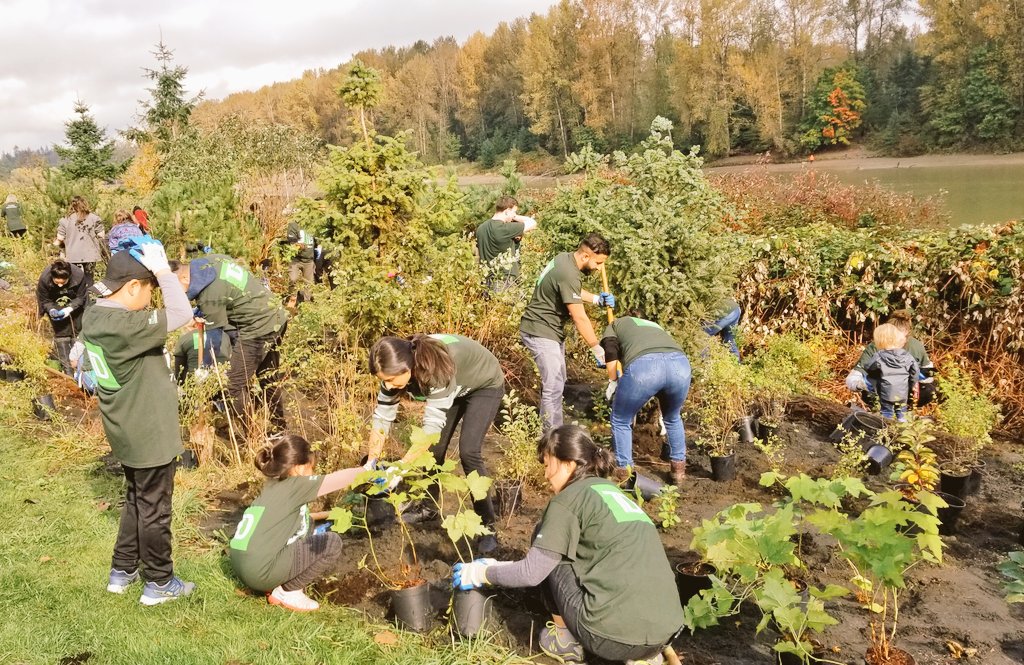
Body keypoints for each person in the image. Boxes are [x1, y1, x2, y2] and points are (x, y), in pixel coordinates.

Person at [452, 425, 682, 665]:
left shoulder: (568, 500)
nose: (545, 475)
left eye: (547, 464)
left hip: (609, 638)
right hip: (664, 633)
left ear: (568, 464)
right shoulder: (616, 495)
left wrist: (483, 571)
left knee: (546, 536)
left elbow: (531, 573)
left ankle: (565, 641)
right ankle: (644, 655)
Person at [82, 241, 196, 604]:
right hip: (148, 430)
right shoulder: (125, 324)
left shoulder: (96, 315)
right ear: (133, 286)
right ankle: (160, 581)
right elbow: (181, 313)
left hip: (125, 427)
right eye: (149, 290)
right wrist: (164, 272)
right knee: (155, 508)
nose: (152, 297)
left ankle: (123, 568)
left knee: (136, 499)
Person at [366, 334, 504, 553]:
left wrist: (399, 469)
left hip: (483, 383)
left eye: (391, 380)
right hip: (455, 386)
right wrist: (371, 461)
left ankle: (488, 526)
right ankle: (429, 508)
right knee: (433, 450)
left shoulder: (435, 367)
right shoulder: (392, 373)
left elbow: (430, 430)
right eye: (383, 381)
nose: (388, 385)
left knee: (469, 452)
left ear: (407, 367)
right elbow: (381, 419)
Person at [229, 434, 364, 612]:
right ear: (299, 468)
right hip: (259, 573)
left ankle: (273, 579)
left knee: (306, 523)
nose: (313, 474)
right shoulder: (296, 484)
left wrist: (326, 515)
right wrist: (368, 469)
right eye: (312, 468)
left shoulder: (272, 484)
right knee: (331, 543)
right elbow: (338, 479)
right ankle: (288, 591)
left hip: (240, 564)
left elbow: (300, 520)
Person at [169, 255, 289, 433]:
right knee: (267, 377)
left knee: (231, 386)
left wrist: (207, 372)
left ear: (185, 278)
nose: (176, 295)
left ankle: (253, 437)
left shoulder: (209, 296)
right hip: (275, 313)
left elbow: (215, 338)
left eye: (175, 289)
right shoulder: (210, 262)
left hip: (258, 327)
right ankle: (280, 428)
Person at [520, 233, 616, 432]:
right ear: (585, 256)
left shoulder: (565, 259)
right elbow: (579, 317)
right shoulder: (568, 272)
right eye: (598, 263)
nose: (599, 268)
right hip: (540, 330)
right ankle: (552, 438)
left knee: (559, 381)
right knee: (553, 385)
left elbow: (568, 289)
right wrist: (597, 348)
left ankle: (553, 431)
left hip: (550, 330)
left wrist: (597, 299)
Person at [601, 313, 691, 485]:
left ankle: (624, 475)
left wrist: (613, 380)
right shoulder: (653, 325)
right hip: (680, 365)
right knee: (672, 417)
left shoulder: (615, 324)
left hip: (645, 368)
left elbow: (611, 349)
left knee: (621, 419)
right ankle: (678, 472)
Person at [847, 310, 935, 408]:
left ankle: (906, 412)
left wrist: (916, 380)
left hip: (907, 391)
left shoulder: (915, 346)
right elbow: (852, 379)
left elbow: (929, 375)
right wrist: (866, 383)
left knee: (929, 390)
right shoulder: (875, 347)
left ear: (906, 334)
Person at [476, 195, 538, 292]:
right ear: (507, 211)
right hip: (504, 282)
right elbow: (532, 223)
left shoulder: (481, 228)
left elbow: (482, 252)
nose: (514, 215)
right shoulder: (504, 229)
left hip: (486, 282)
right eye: (514, 212)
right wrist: (515, 217)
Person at [36, 260, 88, 373]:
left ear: (69, 277)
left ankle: (79, 368)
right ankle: (67, 370)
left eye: (63, 283)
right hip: (55, 303)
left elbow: (81, 297)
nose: (60, 285)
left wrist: (69, 308)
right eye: (56, 282)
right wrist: (51, 309)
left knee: (77, 331)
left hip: (75, 304)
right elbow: (44, 299)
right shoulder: (45, 278)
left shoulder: (78, 275)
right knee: (61, 332)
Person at [862, 323, 919, 422]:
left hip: (886, 392)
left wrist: (876, 377)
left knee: (887, 413)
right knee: (902, 413)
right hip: (902, 392)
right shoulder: (907, 355)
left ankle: (886, 432)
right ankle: (903, 432)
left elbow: (869, 367)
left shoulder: (879, 355)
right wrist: (912, 384)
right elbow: (915, 371)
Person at [55, 196, 106, 286]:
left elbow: (60, 237)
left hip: (73, 254)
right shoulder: (94, 218)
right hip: (90, 253)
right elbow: (101, 235)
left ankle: (78, 295)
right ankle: (89, 295)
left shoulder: (65, 220)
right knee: (89, 276)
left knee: (74, 276)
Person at [173, 319, 233, 384]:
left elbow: (178, 371)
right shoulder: (224, 335)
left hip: (195, 382)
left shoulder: (185, 338)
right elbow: (229, 356)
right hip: (222, 379)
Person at [284, 220, 316, 305]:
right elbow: (291, 240)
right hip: (296, 260)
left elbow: (318, 241)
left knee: (308, 283)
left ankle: (307, 303)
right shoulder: (293, 224)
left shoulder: (313, 222)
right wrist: (298, 245)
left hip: (309, 260)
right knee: (293, 279)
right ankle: (291, 298)